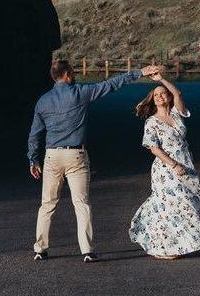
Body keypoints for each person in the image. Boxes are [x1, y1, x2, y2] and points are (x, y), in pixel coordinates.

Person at [28, 57, 163, 262]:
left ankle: (40, 248)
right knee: (81, 203)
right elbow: (110, 85)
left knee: (47, 204)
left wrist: (33, 159)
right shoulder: (80, 93)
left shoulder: (42, 101)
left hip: (51, 155)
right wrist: (140, 72)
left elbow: (35, 133)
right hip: (76, 155)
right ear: (67, 74)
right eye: (72, 72)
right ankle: (87, 250)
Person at [129, 72, 200, 260]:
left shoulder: (177, 114)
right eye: (156, 94)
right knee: (170, 207)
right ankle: (165, 248)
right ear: (152, 100)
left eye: (163, 93)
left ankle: (180, 245)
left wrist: (161, 80)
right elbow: (153, 148)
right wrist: (173, 165)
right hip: (166, 169)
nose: (160, 96)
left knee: (189, 204)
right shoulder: (152, 122)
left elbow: (179, 94)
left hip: (187, 163)